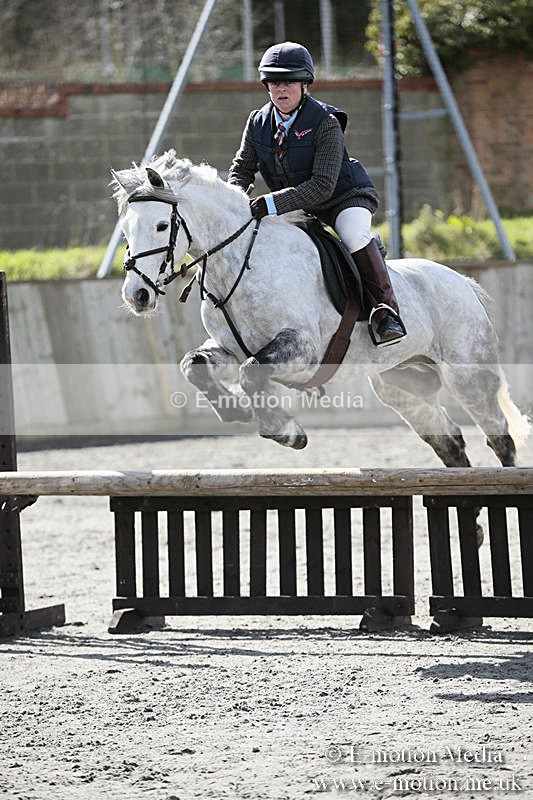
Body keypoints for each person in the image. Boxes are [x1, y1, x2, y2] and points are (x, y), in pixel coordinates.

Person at [228, 41, 406, 346]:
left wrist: (270, 203)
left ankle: (385, 311)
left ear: (304, 84)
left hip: (343, 197)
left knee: (351, 235)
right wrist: (233, 200)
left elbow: (322, 185)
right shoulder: (258, 122)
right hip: (299, 204)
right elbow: (243, 167)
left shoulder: (326, 121)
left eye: (288, 82)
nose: (281, 90)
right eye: (274, 83)